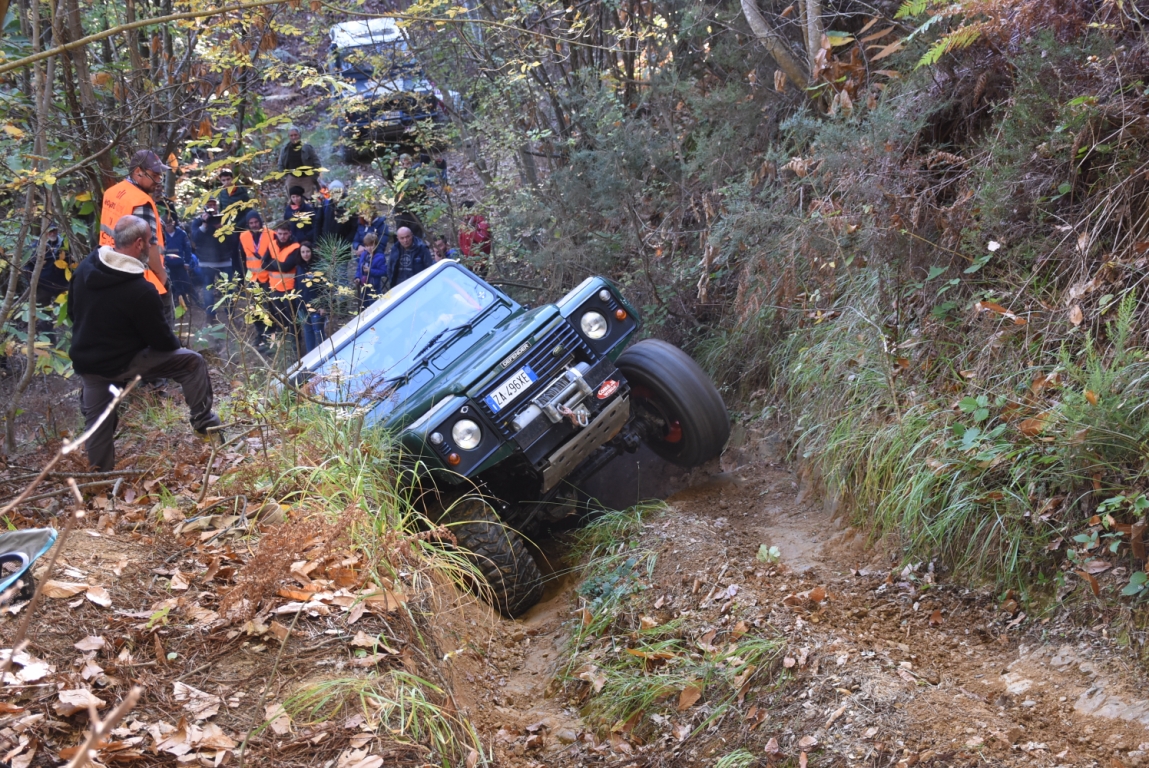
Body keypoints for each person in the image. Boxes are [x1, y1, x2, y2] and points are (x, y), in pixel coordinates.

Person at [69, 215, 221, 471]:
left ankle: (99, 482)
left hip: (88, 361)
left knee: (97, 426)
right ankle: (205, 423)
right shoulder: (140, 290)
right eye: (151, 242)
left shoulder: (87, 266)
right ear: (139, 244)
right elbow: (163, 342)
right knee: (191, 361)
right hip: (124, 361)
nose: (153, 247)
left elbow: (73, 310)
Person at [99, 150, 172, 327]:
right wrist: (162, 276)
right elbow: (151, 245)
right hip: (144, 277)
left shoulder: (112, 192)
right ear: (138, 171)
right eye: (155, 175)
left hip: (109, 270)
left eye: (160, 176)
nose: (158, 181)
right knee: (162, 339)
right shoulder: (141, 202)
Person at [20, 222, 72, 342]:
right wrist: (32, 282)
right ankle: (50, 342)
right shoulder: (35, 246)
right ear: (44, 232)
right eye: (50, 231)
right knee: (44, 314)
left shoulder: (65, 244)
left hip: (63, 284)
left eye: (54, 230)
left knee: (68, 310)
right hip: (43, 286)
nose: (53, 233)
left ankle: (69, 339)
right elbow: (26, 266)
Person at [263, 222, 302, 355]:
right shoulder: (272, 244)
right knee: (279, 317)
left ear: (290, 233)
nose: (282, 236)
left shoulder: (296, 247)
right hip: (274, 287)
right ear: (276, 233)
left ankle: (296, 345)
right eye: (280, 233)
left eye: (285, 233)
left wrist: (272, 262)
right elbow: (263, 264)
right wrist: (278, 264)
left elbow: (286, 267)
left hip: (289, 289)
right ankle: (284, 344)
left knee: (292, 319)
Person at [192, 199, 231, 321]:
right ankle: (210, 314)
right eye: (210, 205)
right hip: (206, 260)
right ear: (205, 207)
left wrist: (222, 228)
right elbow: (195, 238)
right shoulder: (198, 221)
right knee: (208, 288)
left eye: (214, 204)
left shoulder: (224, 218)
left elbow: (233, 238)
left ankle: (230, 312)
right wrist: (204, 224)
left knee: (229, 287)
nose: (213, 207)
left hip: (225, 259)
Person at [216, 168, 252, 275]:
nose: (226, 182)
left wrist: (239, 225)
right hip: (228, 229)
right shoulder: (222, 193)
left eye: (228, 179)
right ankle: (238, 279)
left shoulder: (242, 192)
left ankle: (247, 276)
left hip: (241, 228)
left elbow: (248, 211)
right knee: (233, 255)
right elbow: (222, 209)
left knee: (243, 253)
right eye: (223, 180)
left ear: (233, 179)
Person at [162, 213, 200, 310]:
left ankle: (198, 301)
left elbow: (187, 249)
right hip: (169, 265)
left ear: (173, 223)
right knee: (176, 285)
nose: (168, 227)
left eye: (170, 225)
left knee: (187, 283)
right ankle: (183, 303)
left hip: (181, 264)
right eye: (166, 225)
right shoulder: (162, 235)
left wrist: (187, 262)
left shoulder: (181, 234)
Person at [296, 241, 326, 354]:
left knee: (318, 332)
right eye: (303, 252)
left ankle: (323, 356)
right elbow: (297, 286)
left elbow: (325, 288)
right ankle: (311, 358)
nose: (305, 254)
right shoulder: (299, 267)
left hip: (317, 306)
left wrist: (323, 305)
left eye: (308, 251)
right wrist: (297, 304)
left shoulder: (319, 266)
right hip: (303, 306)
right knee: (308, 332)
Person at [277, 127, 321, 198]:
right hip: (292, 178)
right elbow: (280, 164)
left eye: (295, 135)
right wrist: (285, 176)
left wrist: (314, 176)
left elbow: (316, 162)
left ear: (299, 135)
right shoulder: (285, 149)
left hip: (307, 178)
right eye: (291, 135)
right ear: (289, 137)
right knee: (293, 200)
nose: (293, 137)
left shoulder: (307, 147)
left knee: (308, 200)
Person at [316, 180, 357, 246]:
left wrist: (345, 244)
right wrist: (317, 242)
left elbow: (355, 227)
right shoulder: (326, 204)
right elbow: (318, 223)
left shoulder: (350, 206)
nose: (336, 194)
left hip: (343, 247)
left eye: (338, 192)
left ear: (342, 191)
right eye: (333, 192)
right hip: (326, 246)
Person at [458, 202, 491, 276]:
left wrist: (470, 228)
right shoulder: (463, 225)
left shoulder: (483, 224)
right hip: (467, 263)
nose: (466, 217)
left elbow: (482, 240)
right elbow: (461, 243)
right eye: (464, 214)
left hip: (480, 264)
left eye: (468, 214)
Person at [355, 233, 387, 308]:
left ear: (376, 244)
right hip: (363, 287)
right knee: (364, 307)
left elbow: (384, 272)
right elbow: (359, 268)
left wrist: (370, 271)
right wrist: (357, 277)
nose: (369, 248)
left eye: (371, 245)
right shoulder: (363, 255)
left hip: (374, 288)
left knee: (375, 308)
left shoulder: (380, 257)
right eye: (367, 246)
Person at [239, 212, 270, 287]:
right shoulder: (243, 236)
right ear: (248, 224)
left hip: (268, 278)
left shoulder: (271, 234)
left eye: (256, 222)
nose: (254, 225)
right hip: (252, 279)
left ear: (260, 221)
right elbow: (241, 257)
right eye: (251, 223)